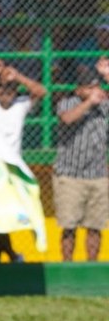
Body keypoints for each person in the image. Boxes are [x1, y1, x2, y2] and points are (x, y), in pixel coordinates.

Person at [0, 59, 47, 263]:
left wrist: (17, 77)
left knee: (18, 211)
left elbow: (41, 91)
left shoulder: (21, 105)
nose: (5, 93)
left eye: (10, 90)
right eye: (1, 89)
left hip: (15, 168)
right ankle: (7, 256)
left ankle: (10, 254)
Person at [53, 59, 109, 262]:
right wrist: (89, 103)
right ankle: (67, 266)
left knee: (95, 227)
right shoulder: (68, 102)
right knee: (69, 227)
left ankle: (92, 266)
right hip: (70, 175)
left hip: (98, 175)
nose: (95, 91)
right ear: (78, 90)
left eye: (96, 87)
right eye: (89, 88)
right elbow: (67, 118)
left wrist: (107, 75)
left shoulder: (104, 106)